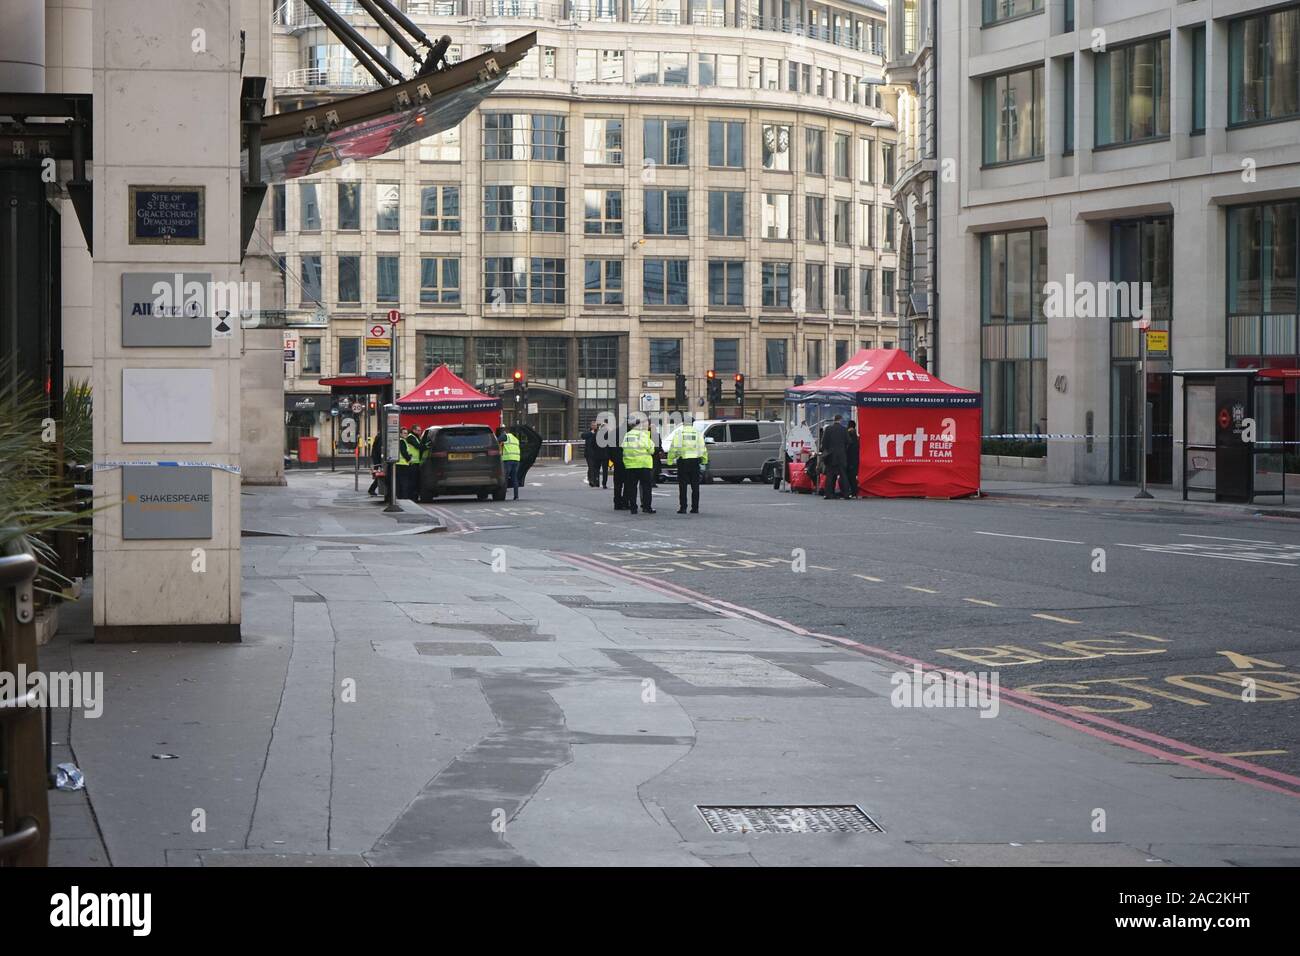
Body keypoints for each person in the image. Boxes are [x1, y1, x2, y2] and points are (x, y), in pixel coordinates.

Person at [666, 424, 708, 514]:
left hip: (683, 462)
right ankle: (695, 508)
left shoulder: (679, 433)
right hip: (695, 461)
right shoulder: (697, 433)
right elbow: (702, 447)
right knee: (695, 486)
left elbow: (674, 448)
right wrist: (704, 459)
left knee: (683, 486)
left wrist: (670, 460)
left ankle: (683, 508)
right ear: (693, 423)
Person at [621, 417, 656, 514]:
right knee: (646, 487)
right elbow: (651, 449)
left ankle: (633, 508)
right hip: (644, 465)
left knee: (632, 487)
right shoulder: (642, 435)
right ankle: (646, 507)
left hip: (630, 465)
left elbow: (623, 448)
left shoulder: (627, 436)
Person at [819, 415, 851, 500]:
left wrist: (825, 451)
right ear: (840, 420)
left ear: (834, 420)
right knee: (843, 475)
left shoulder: (828, 429)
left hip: (831, 455)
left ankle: (828, 494)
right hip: (841, 455)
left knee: (830, 475)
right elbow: (848, 441)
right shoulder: (844, 429)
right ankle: (846, 494)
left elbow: (824, 442)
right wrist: (843, 449)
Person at [498, 425, 522, 500]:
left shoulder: (506, 436)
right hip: (516, 460)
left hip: (508, 460)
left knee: (505, 477)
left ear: (505, 432)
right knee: (514, 478)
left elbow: (497, 440)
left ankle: (502, 495)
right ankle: (516, 496)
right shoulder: (516, 439)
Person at [580, 420, 603, 488]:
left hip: (597, 453)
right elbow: (582, 436)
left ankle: (596, 482)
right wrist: (591, 433)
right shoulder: (588, 432)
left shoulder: (598, 432)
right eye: (593, 425)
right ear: (591, 426)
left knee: (596, 468)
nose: (594, 427)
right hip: (589, 453)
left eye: (595, 425)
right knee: (591, 467)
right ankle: (591, 481)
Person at [844, 421, 860, 499]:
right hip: (854, 459)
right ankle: (854, 492)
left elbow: (848, 448)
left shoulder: (849, 435)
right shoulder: (856, 436)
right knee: (852, 477)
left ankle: (852, 492)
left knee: (849, 477)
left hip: (849, 459)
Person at [611, 436, 627, 510]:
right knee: (628, 484)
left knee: (617, 484)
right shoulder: (630, 433)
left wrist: (614, 460)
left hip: (617, 463)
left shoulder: (614, 433)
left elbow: (609, 449)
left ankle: (617, 503)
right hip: (628, 462)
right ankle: (625, 503)